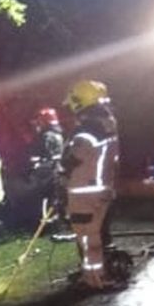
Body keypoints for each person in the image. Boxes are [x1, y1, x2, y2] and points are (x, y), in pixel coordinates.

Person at [62, 79, 119, 290]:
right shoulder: (106, 122)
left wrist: (61, 169)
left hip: (85, 192)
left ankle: (94, 278)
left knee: (88, 238)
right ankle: (95, 273)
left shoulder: (87, 130)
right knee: (98, 235)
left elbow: (73, 160)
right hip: (101, 189)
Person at [28, 106, 65, 227]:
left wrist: (36, 162)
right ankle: (55, 220)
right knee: (53, 197)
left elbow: (45, 154)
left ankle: (45, 222)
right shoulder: (58, 133)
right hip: (55, 169)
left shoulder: (47, 136)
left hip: (46, 171)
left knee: (43, 197)